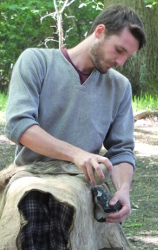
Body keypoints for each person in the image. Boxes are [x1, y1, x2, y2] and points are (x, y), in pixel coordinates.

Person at [5, 4, 146, 250]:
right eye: (119, 50)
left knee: (66, 210)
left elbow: (122, 150)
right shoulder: (36, 61)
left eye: (127, 56)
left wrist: (123, 189)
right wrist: (77, 154)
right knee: (36, 205)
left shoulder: (120, 87)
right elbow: (20, 125)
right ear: (100, 31)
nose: (121, 62)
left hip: (81, 181)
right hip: (31, 174)